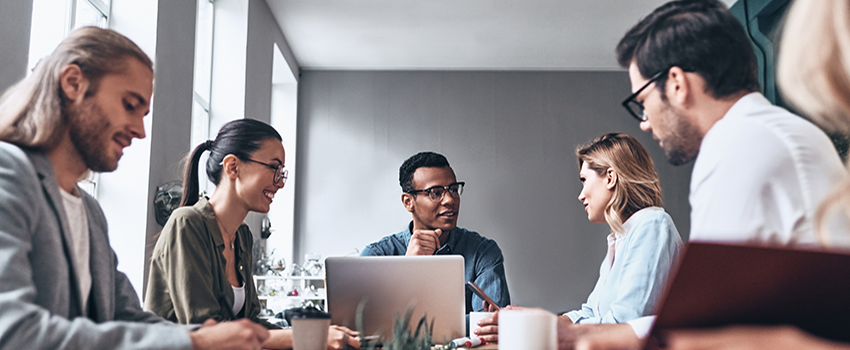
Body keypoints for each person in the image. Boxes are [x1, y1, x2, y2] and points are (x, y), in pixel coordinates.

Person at [569, 0, 850, 348]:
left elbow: (704, 327)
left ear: (675, 83)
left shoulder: (738, 143)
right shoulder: (773, 133)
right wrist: (576, 332)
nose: (644, 121)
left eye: (643, 101)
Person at [0, 27, 268, 349]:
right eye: (130, 105)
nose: (140, 132)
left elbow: (125, 315)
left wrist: (197, 337)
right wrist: (194, 343)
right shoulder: (8, 174)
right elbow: (14, 332)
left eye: (144, 115)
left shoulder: (88, 210)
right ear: (73, 83)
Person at [144, 119, 360, 350]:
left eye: (282, 172)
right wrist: (309, 338)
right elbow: (207, 333)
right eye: (273, 168)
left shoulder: (242, 237)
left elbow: (251, 323)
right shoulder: (187, 223)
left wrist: (319, 335)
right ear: (233, 166)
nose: (280, 183)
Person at [475, 133, 684, 343]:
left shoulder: (652, 225)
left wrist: (537, 328)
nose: (581, 195)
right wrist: (528, 319)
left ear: (610, 178)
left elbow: (624, 324)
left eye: (584, 180)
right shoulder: (621, 238)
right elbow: (591, 312)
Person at [360, 151, 510, 313]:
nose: (450, 200)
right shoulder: (376, 256)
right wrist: (406, 270)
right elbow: (363, 325)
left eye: (453, 189)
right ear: (408, 202)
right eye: (436, 193)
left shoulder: (482, 252)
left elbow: (489, 326)